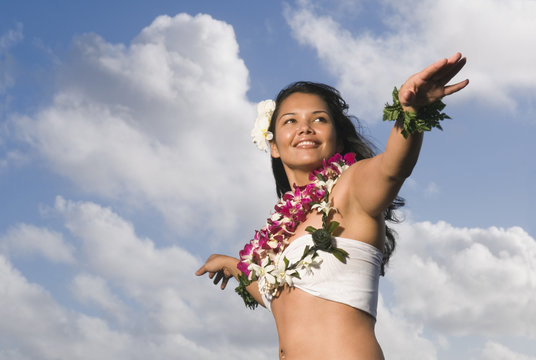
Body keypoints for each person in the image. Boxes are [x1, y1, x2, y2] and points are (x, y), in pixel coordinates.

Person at [196, 52, 468, 359]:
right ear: (273, 145)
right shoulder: (283, 233)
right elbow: (281, 294)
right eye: (290, 121)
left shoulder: (351, 188)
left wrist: (410, 112)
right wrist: (234, 266)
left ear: (338, 141)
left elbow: (393, 167)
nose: (305, 127)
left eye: (319, 119)